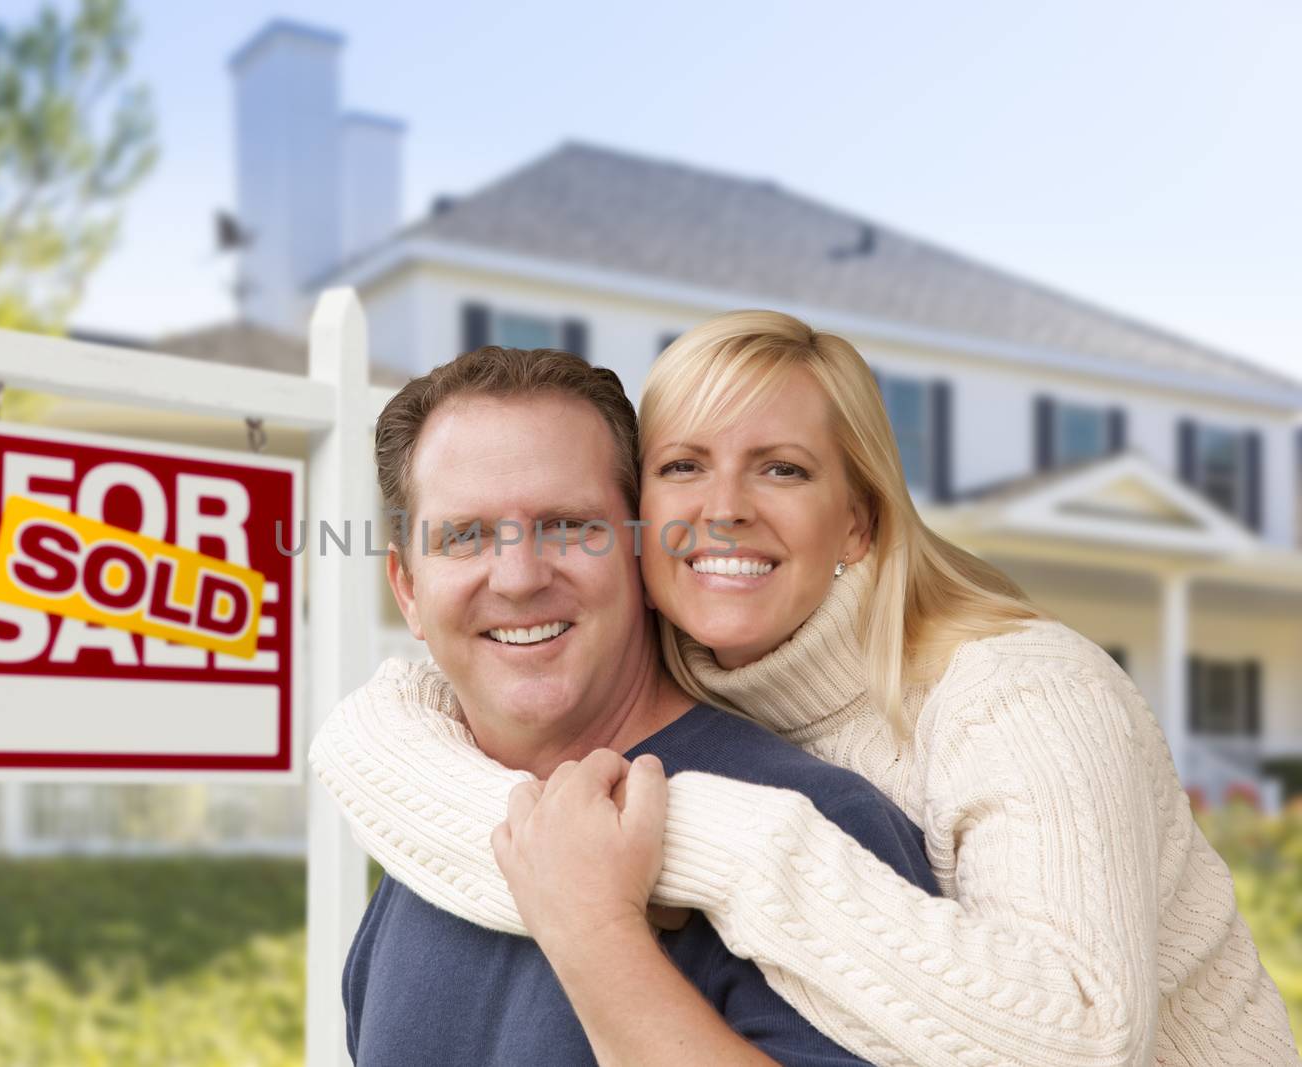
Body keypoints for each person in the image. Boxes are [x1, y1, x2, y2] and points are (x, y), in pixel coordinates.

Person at [312, 311, 1302, 1066]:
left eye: (568, 523)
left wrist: (657, 881)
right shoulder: (438, 831)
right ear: (402, 581)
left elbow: (1084, 1035)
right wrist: (362, 739)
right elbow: (384, 739)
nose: (725, 511)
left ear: (859, 522)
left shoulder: (1000, 706)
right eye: (685, 467)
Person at [334, 345, 941, 1066]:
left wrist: (599, 934)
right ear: (408, 589)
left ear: (643, 552)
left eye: (567, 525)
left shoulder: (818, 826)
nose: (520, 576)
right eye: (465, 536)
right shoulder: (428, 845)